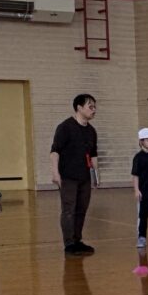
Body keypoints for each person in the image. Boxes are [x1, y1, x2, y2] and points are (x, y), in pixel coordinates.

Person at [50, 92, 97, 256]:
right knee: (69, 209)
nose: (94, 109)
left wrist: (95, 176)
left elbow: (93, 155)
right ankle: (69, 243)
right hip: (68, 177)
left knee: (81, 209)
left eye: (94, 106)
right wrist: (55, 173)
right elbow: (55, 152)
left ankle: (77, 240)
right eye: (90, 106)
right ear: (79, 107)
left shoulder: (91, 131)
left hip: (84, 177)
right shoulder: (65, 127)